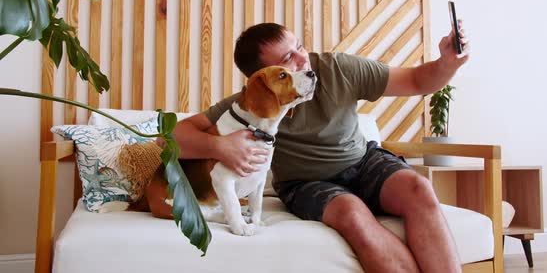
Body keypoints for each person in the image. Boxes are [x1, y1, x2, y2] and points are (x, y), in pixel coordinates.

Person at [172, 22, 470, 272]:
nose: (303, 60)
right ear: (262, 80)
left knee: (419, 188)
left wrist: (446, 63)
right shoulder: (251, 103)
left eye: (299, 46)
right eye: (287, 60)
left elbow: (417, 80)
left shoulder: (338, 68)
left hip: (362, 160)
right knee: (352, 213)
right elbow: (171, 137)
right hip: (305, 182)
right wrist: (219, 146)